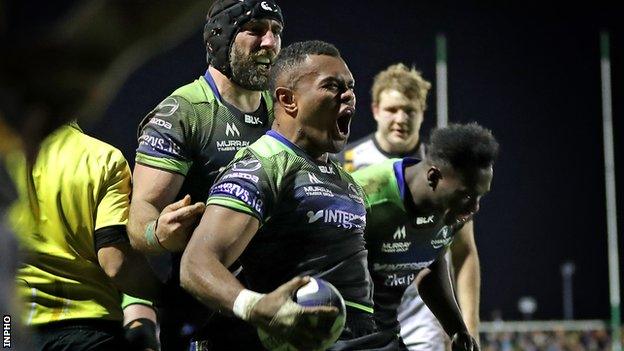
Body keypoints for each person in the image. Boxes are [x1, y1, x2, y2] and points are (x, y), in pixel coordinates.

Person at [180, 40, 400, 350]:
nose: (348, 95)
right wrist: (253, 306)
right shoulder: (263, 166)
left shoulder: (345, 180)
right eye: (332, 86)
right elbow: (196, 264)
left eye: (350, 87)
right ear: (288, 99)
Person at [126, 0, 284, 348]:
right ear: (220, 37)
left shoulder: (283, 111)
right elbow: (140, 213)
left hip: (276, 315)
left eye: (276, 32)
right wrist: (158, 233)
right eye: (255, 30)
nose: (270, 43)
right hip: (206, 322)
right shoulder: (183, 112)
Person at [338, 63, 482, 350]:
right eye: (392, 109)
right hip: (364, 310)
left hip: (422, 317)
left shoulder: (444, 171)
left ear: (422, 114)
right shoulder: (347, 162)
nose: (401, 118)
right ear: (376, 109)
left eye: (410, 110)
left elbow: (464, 252)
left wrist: (467, 326)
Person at [6, 123, 162, 350]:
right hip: (89, 333)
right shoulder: (103, 158)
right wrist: (169, 296)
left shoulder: (5, 158)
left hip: (9, 327)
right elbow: (116, 264)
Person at [353, 122, 499, 351]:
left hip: (384, 331)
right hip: (339, 333)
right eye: (467, 195)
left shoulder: (452, 211)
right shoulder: (364, 195)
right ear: (433, 177)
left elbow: (429, 262)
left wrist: (457, 329)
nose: (475, 207)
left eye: (480, 196)